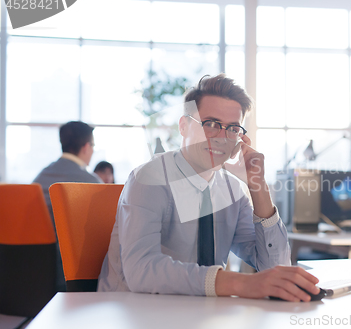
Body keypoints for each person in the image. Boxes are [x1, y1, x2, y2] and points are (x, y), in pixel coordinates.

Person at [98, 74, 320, 301]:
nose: (222, 138)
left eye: (233, 129)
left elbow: (275, 266)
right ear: (183, 126)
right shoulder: (149, 179)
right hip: (129, 311)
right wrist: (240, 283)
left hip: (201, 314)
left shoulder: (233, 189)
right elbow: (141, 271)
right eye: (211, 124)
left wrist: (258, 186)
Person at [33, 121, 101, 291]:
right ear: (86, 147)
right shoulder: (90, 182)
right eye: (93, 146)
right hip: (68, 271)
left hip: (32, 266)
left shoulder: (40, 177)